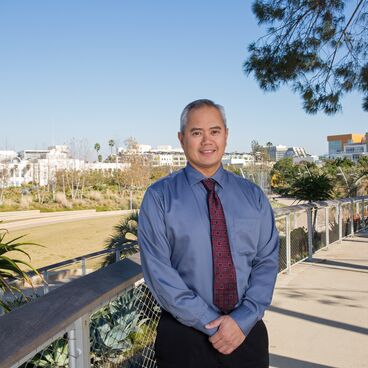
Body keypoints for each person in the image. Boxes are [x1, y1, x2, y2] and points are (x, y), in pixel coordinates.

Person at [138, 99, 279, 368]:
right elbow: (159, 272)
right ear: (182, 139)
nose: (207, 141)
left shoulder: (253, 197)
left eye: (214, 131)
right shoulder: (159, 198)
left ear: (226, 135)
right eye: (196, 132)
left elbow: (267, 261)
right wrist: (213, 324)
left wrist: (242, 320)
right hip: (184, 337)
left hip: (246, 334)